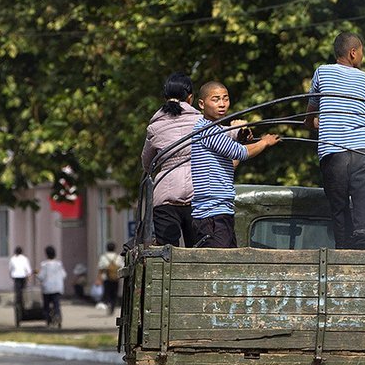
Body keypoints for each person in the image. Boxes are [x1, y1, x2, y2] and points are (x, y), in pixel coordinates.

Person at [305, 31, 365, 249]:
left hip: (333, 152)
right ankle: (364, 235)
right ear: (353, 53)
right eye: (362, 53)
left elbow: (311, 110)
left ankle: (344, 246)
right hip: (361, 151)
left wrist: (311, 123)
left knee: (338, 206)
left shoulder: (322, 73)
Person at [142, 72, 248, 247]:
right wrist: (240, 130)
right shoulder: (203, 123)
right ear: (191, 98)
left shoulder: (154, 127)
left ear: (165, 97)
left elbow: (147, 165)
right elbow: (230, 134)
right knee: (198, 251)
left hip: (165, 199)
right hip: (197, 197)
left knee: (165, 253)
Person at [190, 81, 281, 248]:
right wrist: (264, 142)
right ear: (202, 104)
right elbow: (240, 152)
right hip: (212, 215)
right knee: (219, 265)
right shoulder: (207, 131)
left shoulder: (214, 130)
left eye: (225, 98)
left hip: (221, 212)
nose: (222, 104)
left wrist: (239, 138)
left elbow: (231, 163)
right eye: (216, 99)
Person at [36, 245, 67, 327]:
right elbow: (64, 275)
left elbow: (41, 276)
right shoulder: (59, 264)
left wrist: (37, 274)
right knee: (56, 304)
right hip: (57, 287)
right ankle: (58, 316)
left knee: (46, 305)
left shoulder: (44, 265)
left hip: (47, 288)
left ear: (46, 254)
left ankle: (49, 320)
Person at [96, 242, 124, 315]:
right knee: (114, 294)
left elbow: (100, 269)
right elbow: (121, 267)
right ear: (114, 248)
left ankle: (108, 303)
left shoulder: (103, 257)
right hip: (116, 278)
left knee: (107, 293)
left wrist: (99, 279)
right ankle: (113, 306)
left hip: (106, 278)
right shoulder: (118, 257)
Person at [8, 246, 32, 317]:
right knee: (23, 291)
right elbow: (28, 269)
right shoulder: (25, 258)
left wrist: (11, 275)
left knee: (17, 292)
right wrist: (29, 276)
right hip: (23, 276)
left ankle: (18, 303)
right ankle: (23, 303)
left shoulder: (12, 259)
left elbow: (10, 269)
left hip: (16, 277)